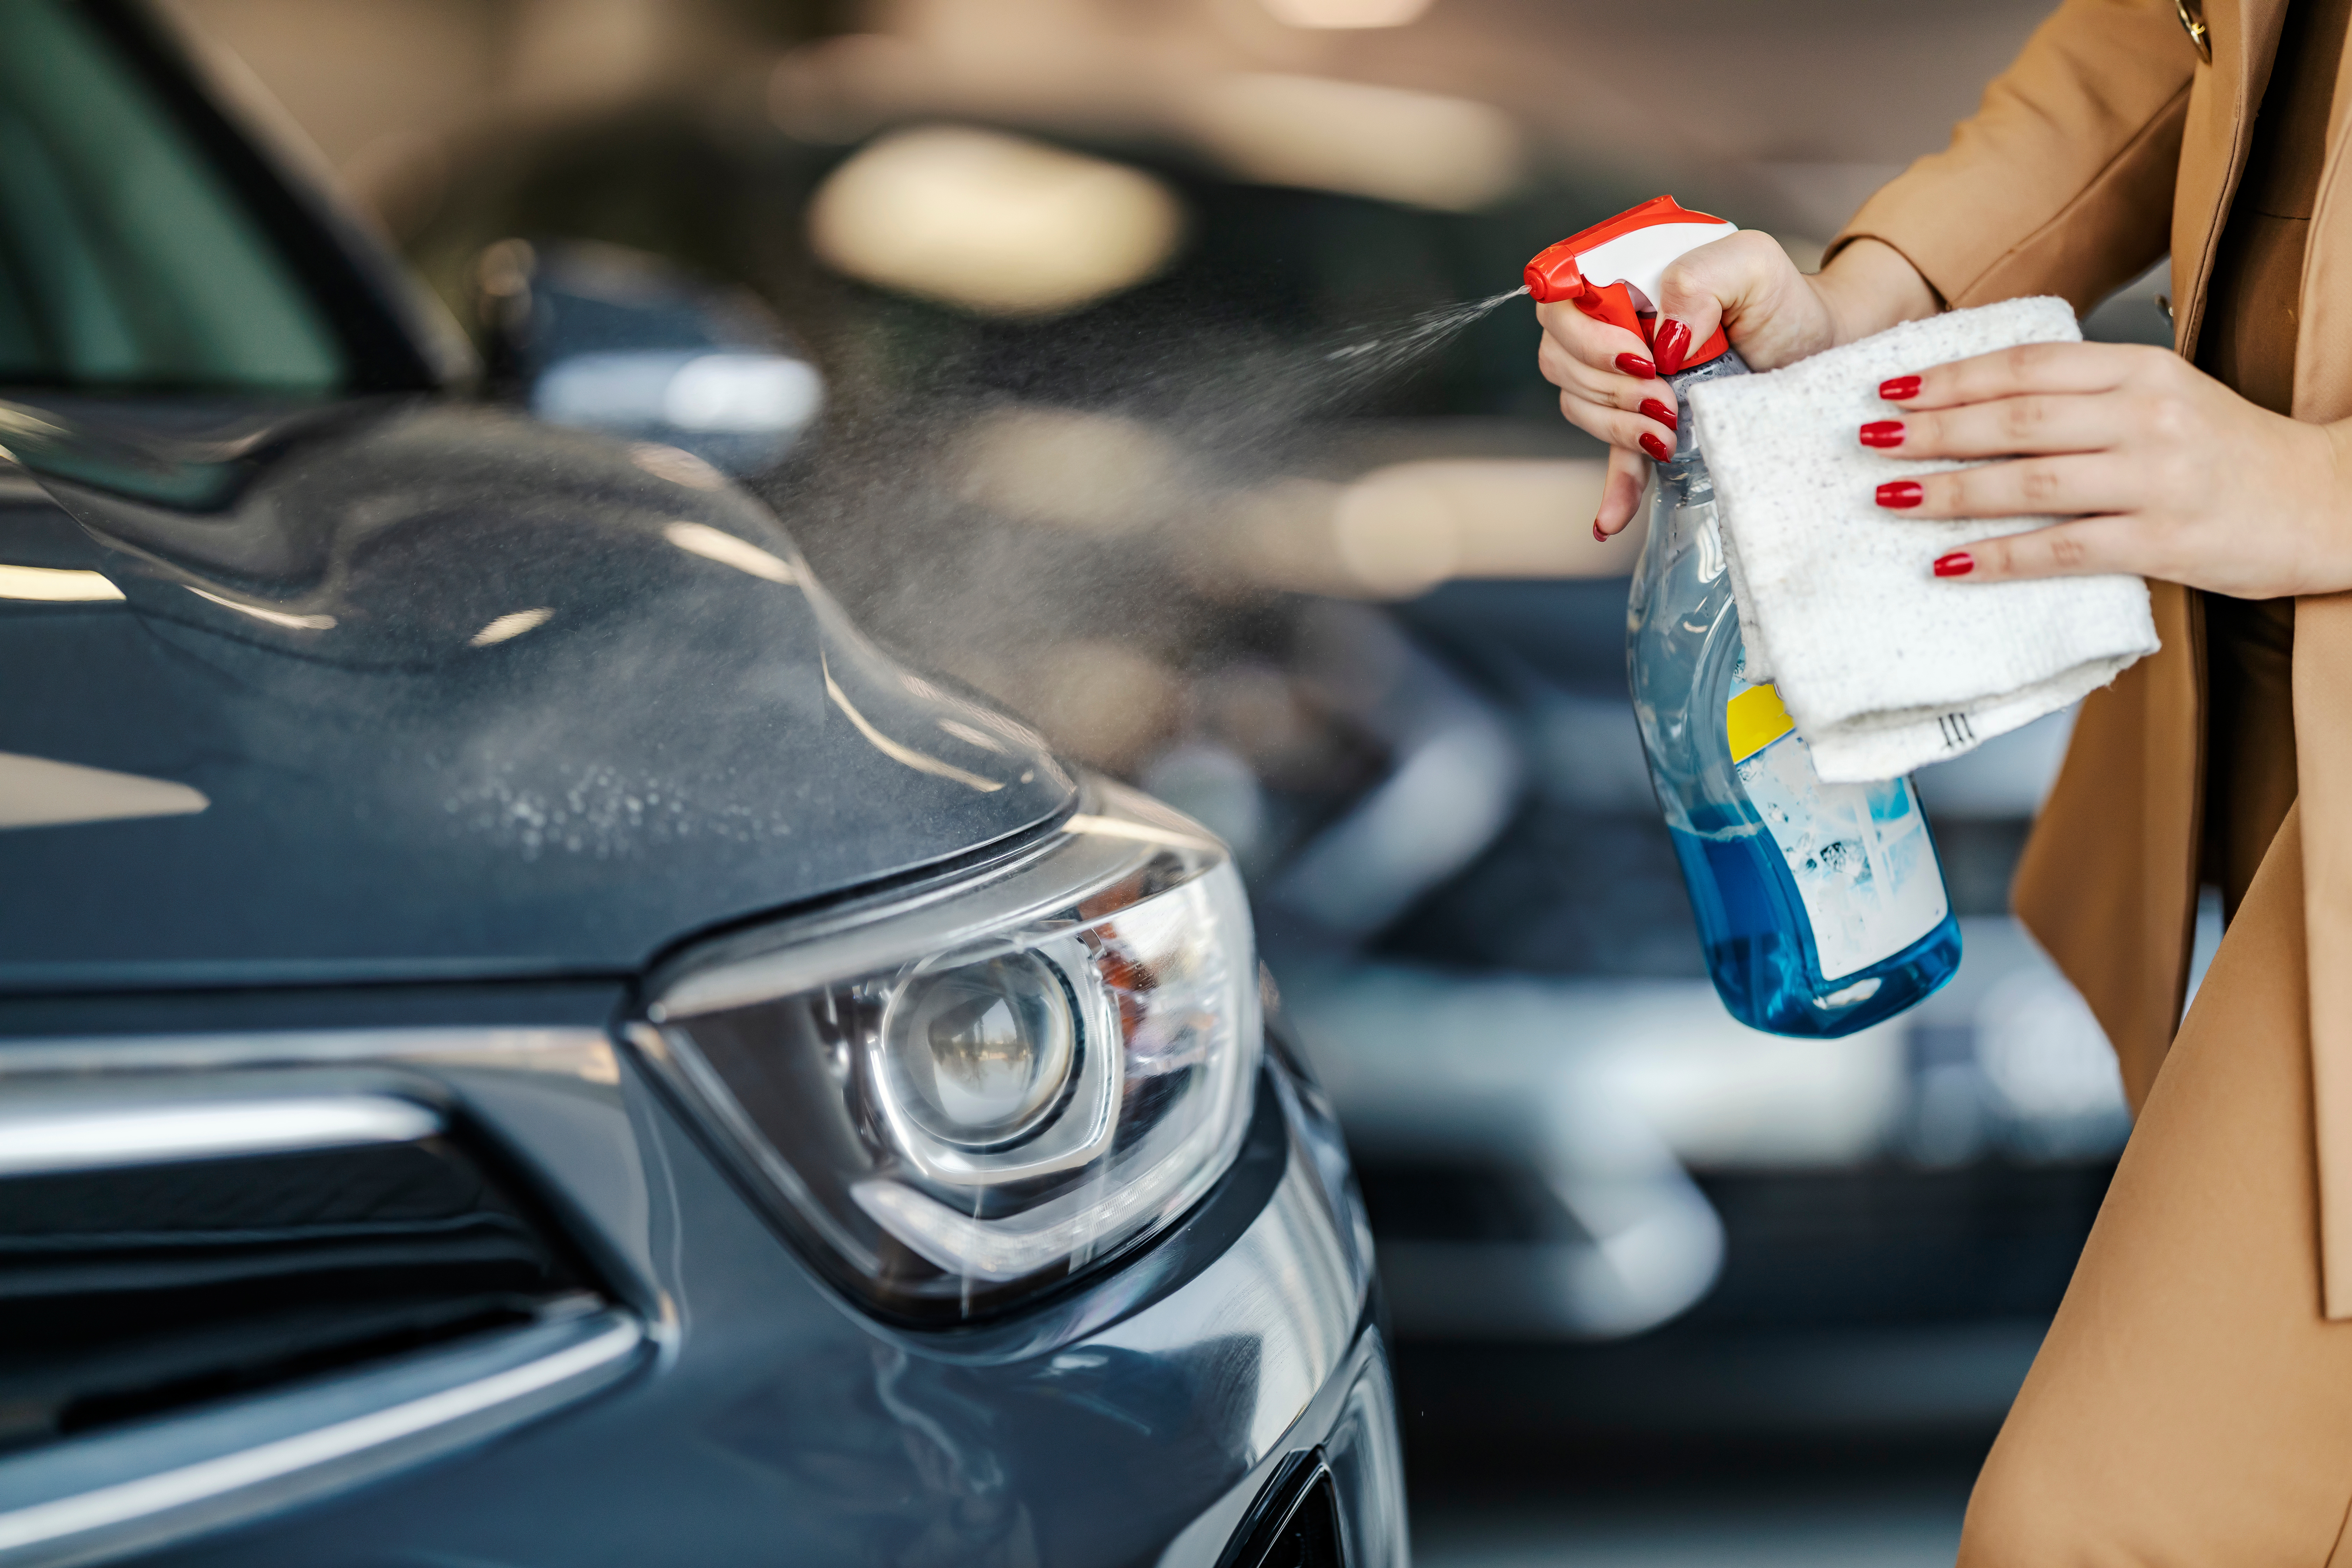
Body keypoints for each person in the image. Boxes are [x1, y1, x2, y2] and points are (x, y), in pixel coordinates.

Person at [1537, 0, 2352, 1555]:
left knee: (2100, 1531)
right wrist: (1867, 305)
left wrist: (2323, 489)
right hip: (2257, 679)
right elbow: (2166, 47)